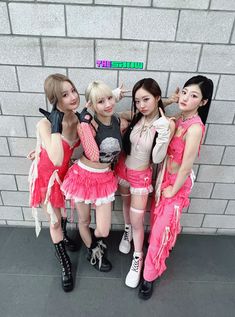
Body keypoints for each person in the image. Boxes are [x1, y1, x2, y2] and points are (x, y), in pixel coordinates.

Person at [138, 75, 214, 300]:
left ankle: (149, 276)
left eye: (194, 96)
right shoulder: (178, 119)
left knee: (163, 228)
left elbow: (187, 164)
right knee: (157, 221)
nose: (186, 97)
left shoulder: (195, 128)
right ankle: (154, 253)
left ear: (203, 102)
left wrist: (173, 189)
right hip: (164, 177)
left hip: (178, 184)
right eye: (185, 92)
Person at [61, 80, 128, 272]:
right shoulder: (87, 124)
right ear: (92, 104)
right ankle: (93, 250)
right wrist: (84, 121)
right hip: (83, 177)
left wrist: (168, 103)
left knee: (103, 229)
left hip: (104, 177)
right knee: (83, 220)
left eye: (109, 99)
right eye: (101, 101)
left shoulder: (117, 119)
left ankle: (96, 240)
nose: (107, 104)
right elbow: (92, 154)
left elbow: (146, 113)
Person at [114, 78, 175, 288]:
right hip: (124, 168)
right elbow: (117, 114)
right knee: (124, 203)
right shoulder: (136, 117)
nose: (141, 105)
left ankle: (137, 258)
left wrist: (164, 133)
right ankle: (126, 230)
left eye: (146, 99)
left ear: (157, 97)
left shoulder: (166, 124)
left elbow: (158, 158)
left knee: (138, 220)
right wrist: (113, 97)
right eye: (138, 100)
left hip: (142, 176)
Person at [28, 73, 82, 292]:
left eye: (73, 91)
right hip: (47, 179)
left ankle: (65, 238)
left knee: (64, 215)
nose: (72, 97)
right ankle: (65, 265)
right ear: (54, 99)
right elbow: (57, 158)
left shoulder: (77, 119)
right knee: (55, 221)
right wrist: (55, 127)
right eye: (64, 95)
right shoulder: (45, 123)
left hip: (63, 176)